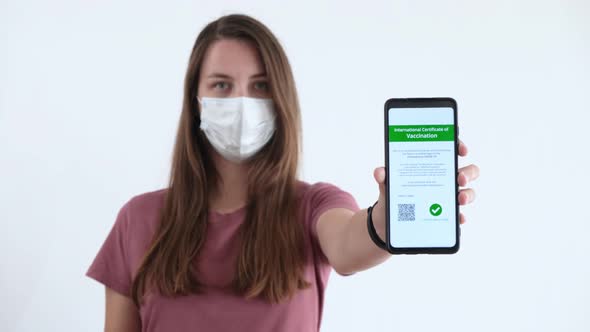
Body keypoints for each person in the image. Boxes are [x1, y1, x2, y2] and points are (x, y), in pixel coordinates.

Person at [85, 13, 479, 332]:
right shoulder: (137, 220)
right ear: (196, 99)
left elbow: (348, 246)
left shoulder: (313, 206)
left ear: (281, 99)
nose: (241, 101)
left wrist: (395, 211)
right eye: (221, 85)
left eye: (260, 86)